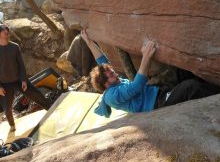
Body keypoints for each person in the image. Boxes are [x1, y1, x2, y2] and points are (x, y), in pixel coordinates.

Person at [81, 28, 220, 117]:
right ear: (105, 85)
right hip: (157, 106)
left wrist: (89, 42)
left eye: (112, 72)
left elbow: (102, 61)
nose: (114, 73)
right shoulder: (111, 97)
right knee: (190, 87)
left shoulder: (113, 82)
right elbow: (136, 87)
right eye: (111, 75)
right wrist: (146, 57)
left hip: (159, 91)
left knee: (183, 72)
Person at [0, 24, 51, 131]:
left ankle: (52, 110)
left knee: (37, 95)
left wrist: (23, 80)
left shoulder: (14, 47)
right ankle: (12, 126)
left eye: (7, 30)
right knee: (7, 109)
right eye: (4, 31)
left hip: (18, 80)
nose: (7, 32)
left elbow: (21, 65)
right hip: (4, 84)